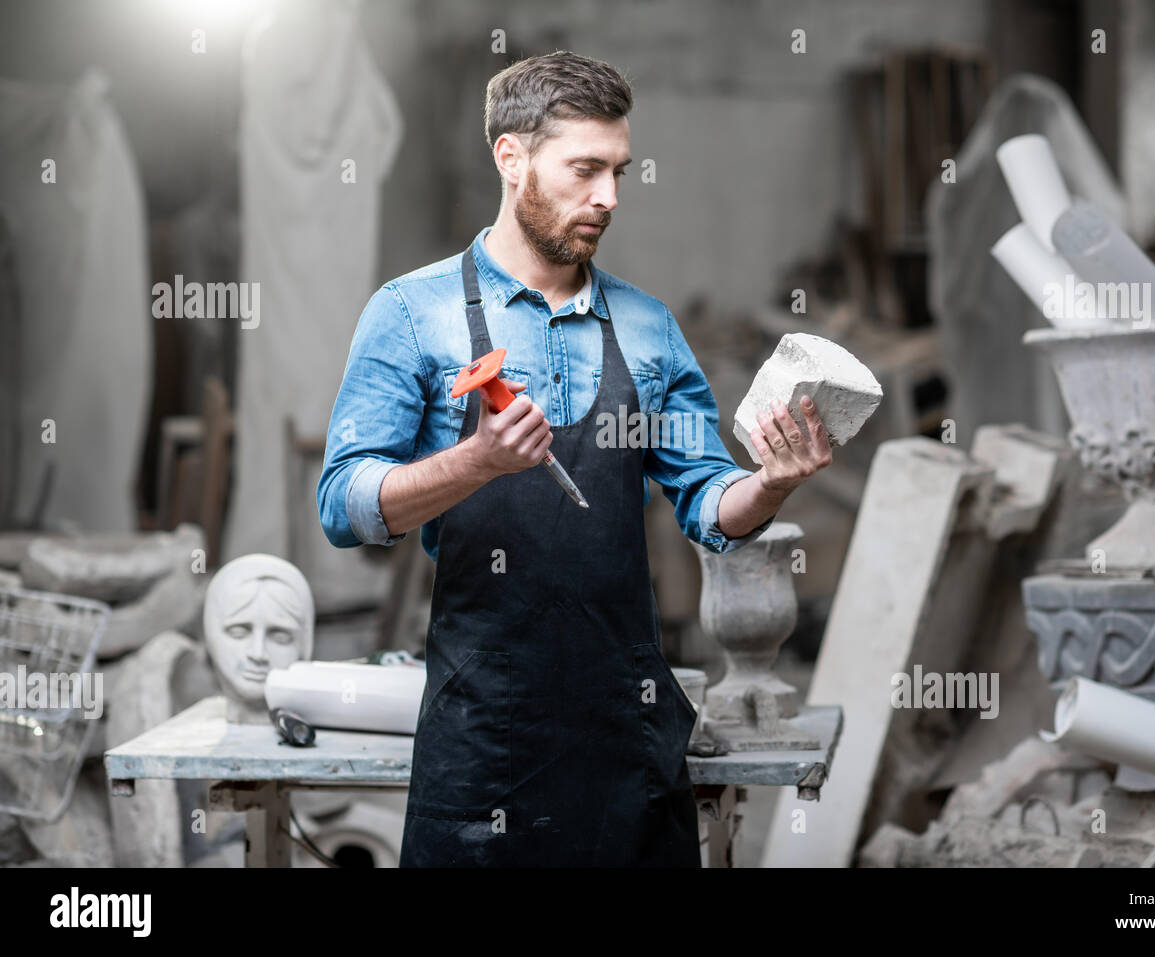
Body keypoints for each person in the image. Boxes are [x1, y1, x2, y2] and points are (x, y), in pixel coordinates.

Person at [317, 51, 832, 867]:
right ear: (511, 158)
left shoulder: (648, 325)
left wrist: (769, 482)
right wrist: (476, 462)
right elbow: (343, 505)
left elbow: (709, 502)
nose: (609, 198)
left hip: (623, 729)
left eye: (620, 171)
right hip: (483, 728)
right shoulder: (412, 314)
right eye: (585, 169)